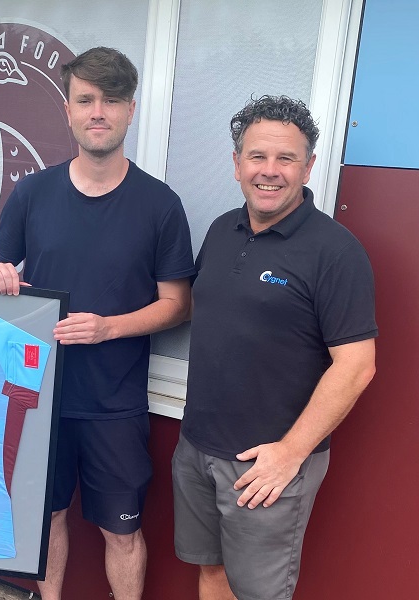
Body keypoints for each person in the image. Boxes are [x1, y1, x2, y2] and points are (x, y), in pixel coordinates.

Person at [0, 47, 194, 600]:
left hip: (114, 403)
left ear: (130, 111)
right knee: (46, 522)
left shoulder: (160, 206)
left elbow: (178, 303)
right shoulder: (33, 192)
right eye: (86, 100)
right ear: (68, 111)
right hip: (37, 394)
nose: (98, 112)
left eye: (111, 101)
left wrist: (109, 328)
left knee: (122, 531)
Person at [172, 95, 377, 600]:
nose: (270, 171)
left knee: (260, 594)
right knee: (211, 572)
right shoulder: (222, 230)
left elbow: (356, 366)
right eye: (257, 156)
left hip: (267, 466)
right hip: (198, 447)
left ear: (308, 166)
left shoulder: (336, 252)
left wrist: (290, 454)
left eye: (286, 158)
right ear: (237, 163)